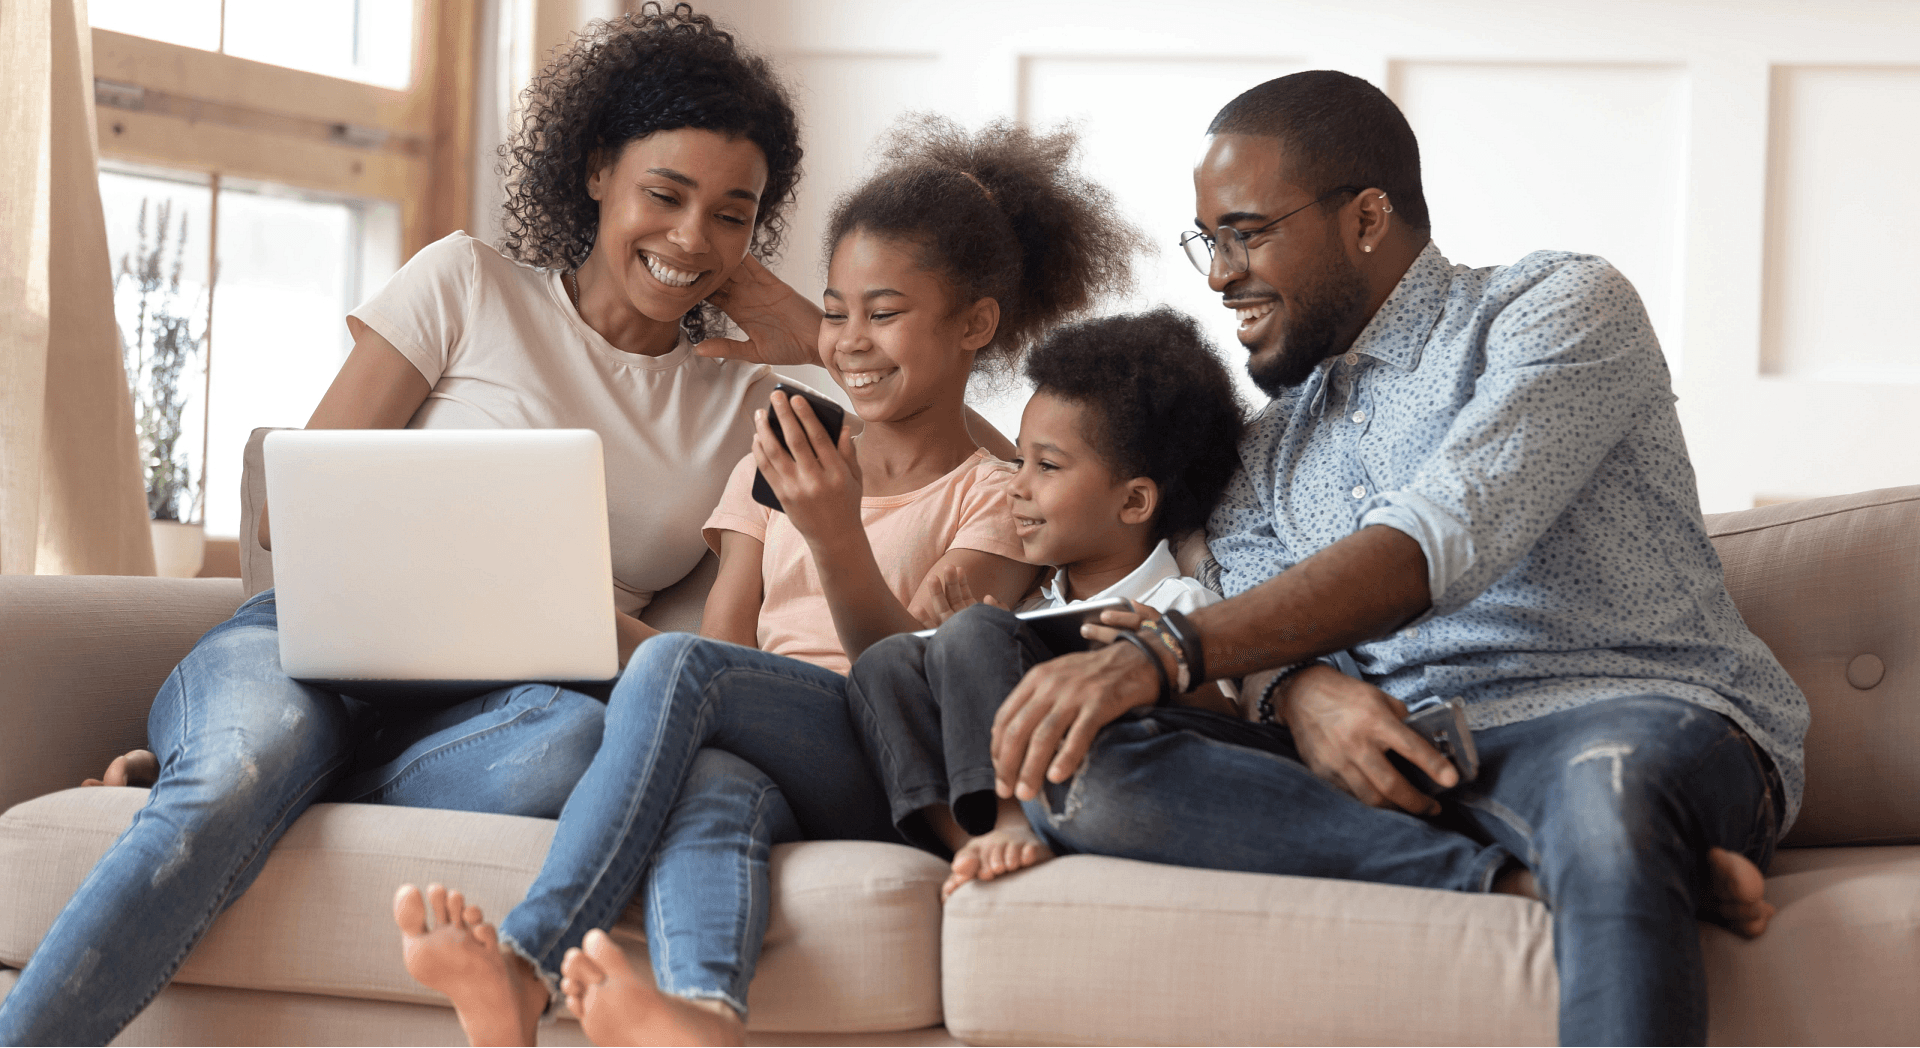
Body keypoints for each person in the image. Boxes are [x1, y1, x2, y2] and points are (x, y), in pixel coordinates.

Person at [0, 7, 846, 1043]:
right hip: (305, 656)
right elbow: (297, 503)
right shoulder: (468, 284)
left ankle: (258, 770)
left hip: (514, 714)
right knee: (243, 764)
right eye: (664, 195)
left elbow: (979, 469)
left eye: (731, 213)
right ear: (595, 175)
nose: (690, 239)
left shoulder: (746, 401)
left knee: (577, 741)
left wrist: (821, 338)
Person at [985, 70, 1808, 1045]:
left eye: (1245, 233)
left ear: (1367, 217)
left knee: (1604, 787)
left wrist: (1165, 649)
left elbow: (1436, 539)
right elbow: (1254, 609)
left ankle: (1610, 845)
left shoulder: (1557, 307)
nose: (1218, 275)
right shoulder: (1269, 447)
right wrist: (1302, 692)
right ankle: (1536, 868)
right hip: (1400, 754)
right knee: (1079, 769)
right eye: (1210, 241)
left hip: (1620, 714)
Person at [389, 115, 1146, 1047]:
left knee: (681, 673)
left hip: (892, 764)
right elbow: (727, 640)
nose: (851, 342)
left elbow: (913, 677)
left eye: (885, 312)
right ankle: (703, 1014)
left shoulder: (996, 499)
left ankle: (529, 958)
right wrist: (559, 608)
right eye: (834, 312)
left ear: (975, 325)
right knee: (713, 779)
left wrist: (835, 536)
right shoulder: (781, 455)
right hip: (777, 745)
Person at [845, 307, 1245, 900]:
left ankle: (1012, 823)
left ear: (1134, 502)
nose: (1017, 485)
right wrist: (958, 655)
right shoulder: (1029, 611)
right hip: (1029, 770)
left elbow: (1230, 727)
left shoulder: (1179, 602)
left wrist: (1163, 662)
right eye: (1019, 462)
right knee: (889, 661)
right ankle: (969, 839)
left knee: (978, 632)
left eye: (1047, 466)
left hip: (1121, 780)